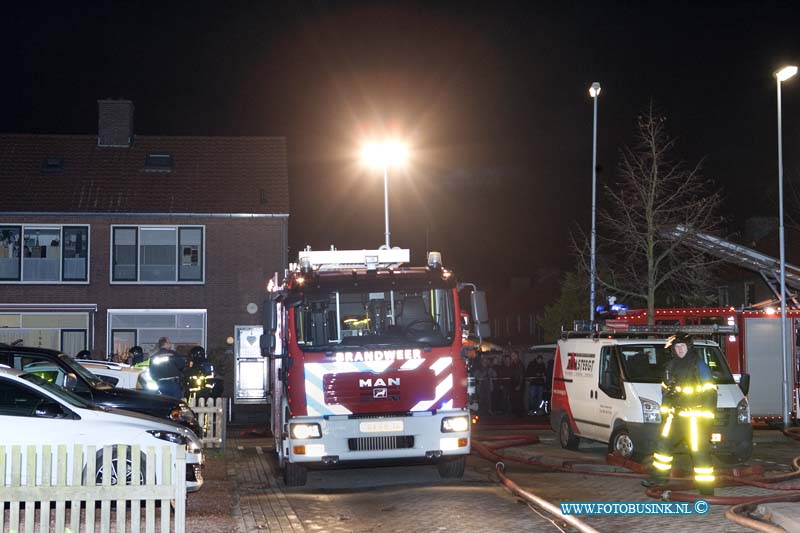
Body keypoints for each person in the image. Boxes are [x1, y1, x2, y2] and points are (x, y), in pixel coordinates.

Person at [643, 332, 717, 496]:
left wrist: (707, 419)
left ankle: (706, 490)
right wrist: (665, 414)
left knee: (699, 452)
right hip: (674, 417)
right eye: (677, 347)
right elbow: (665, 392)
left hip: (694, 419)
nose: (680, 349)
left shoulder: (699, 366)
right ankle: (658, 479)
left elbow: (710, 393)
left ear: (689, 347)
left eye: (683, 346)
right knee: (663, 446)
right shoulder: (671, 366)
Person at [509, 351, 525, 416]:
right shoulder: (512, 363)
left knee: (518, 399)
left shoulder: (519, 364)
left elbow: (521, 375)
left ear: (516, 356)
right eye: (511, 355)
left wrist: (519, 385)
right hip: (513, 383)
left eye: (513, 355)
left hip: (518, 383)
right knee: (514, 398)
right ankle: (515, 412)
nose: (512, 356)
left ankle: (519, 413)